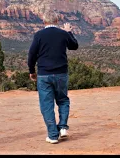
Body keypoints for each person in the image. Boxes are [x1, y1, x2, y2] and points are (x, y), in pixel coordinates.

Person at [27, 10, 78, 144]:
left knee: (46, 105)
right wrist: (68, 32)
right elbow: (74, 46)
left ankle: (53, 135)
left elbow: (31, 54)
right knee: (63, 100)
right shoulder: (63, 33)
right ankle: (62, 127)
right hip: (61, 73)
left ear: (44, 21)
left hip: (44, 74)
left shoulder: (39, 35)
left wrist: (32, 71)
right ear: (57, 21)